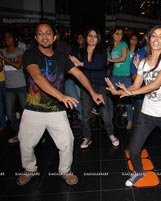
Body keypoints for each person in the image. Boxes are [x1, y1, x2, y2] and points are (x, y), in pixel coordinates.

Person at [16, 19, 104, 186]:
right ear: (36, 37)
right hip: (34, 109)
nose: (44, 37)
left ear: (55, 37)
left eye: (48, 33)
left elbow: (78, 74)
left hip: (56, 110)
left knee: (67, 141)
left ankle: (65, 170)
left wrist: (92, 93)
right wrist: (61, 96)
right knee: (26, 143)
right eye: (40, 34)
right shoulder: (30, 54)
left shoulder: (61, 57)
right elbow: (37, 78)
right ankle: (29, 169)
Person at [105, 25, 161, 187]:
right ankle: (139, 172)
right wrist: (117, 92)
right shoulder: (143, 62)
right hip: (147, 114)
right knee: (134, 150)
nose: (156, 39)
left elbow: (156, 84)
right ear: (149, 39)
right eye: (153, 36)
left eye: (160, 36)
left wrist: (131, 93)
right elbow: (136, 85)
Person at [69, 27, 119, 148]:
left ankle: (111, 134)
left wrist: (81, 64)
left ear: (98, 39)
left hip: (100, 85)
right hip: (86, 87)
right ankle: (87, 137)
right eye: (90, 36)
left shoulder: (102, 51)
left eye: (95, 36)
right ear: (86, 38)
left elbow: (99, 65)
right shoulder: (81, 51)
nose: (92, 38)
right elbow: (70, 60)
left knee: (105, 112)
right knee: (85, 113)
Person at [0, 29, 27, 144]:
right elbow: (0, 68)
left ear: (15, 39)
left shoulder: (19, 51)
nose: (7, 39)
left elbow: (18, 65)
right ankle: (18, 134)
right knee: (10, 114)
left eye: (9, 37)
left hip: (21, 86)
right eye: (5, 37)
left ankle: (31, 135)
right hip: (9, 87)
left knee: (26, 113)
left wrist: (4, 59)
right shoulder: (2, 51)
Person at [107, 27, 133, 129]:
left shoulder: (124, 45)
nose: (118, 36)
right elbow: (107, 61)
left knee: (127, 99)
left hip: (125, 76)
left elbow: (122, 58)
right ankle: (110, 118)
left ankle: (130, 121)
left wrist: (110, 60)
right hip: (115, 75)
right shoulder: (110, 48)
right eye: (117, 33)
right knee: (109, 95)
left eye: (121, 34)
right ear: (112, 34)